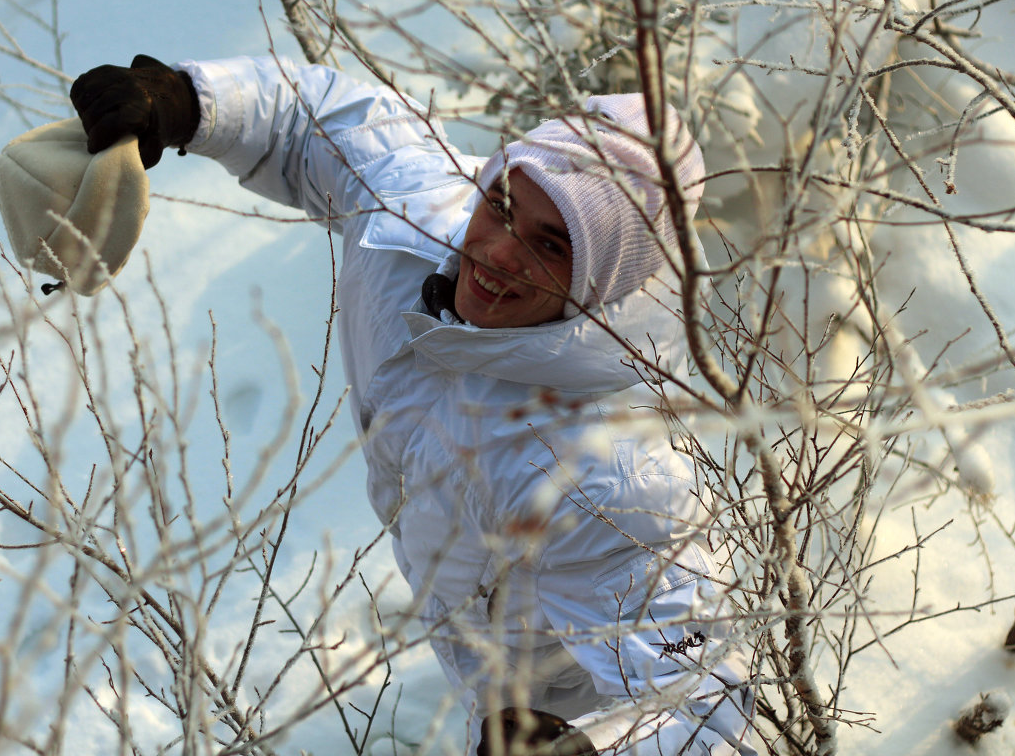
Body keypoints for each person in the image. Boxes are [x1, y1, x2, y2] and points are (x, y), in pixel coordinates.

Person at [69, 54, 756, 755]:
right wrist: (186, 102)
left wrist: (590, 749)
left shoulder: (606, 473)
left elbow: (707, 701)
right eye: (504, 209)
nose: (499, 253)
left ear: (599, 282)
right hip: (470, 637)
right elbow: (317, 120)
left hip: (557, 702)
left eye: (551, 246)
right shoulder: (411, 214)